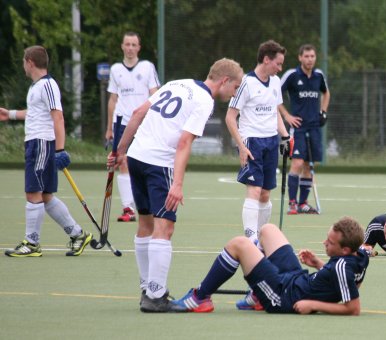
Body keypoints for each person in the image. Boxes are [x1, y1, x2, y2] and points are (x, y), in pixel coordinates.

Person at [111, 58, 244, 312]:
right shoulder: (205, 101)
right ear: (224, 81)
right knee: (165, 228)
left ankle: (147, 288)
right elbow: (184, 143)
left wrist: (120, 150)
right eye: (235, 88)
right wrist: (178, 184)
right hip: (159, 164)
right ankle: (155, 297)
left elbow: (138, 112)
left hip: (137, 156)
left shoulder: (177, 83)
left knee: (145, 224)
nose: (234, 93)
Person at [0, 45, 92, 257]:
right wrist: (10, 114)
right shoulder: (35, 87)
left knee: (33, 192)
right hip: (36, 142)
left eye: (24, 62)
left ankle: (32, 243)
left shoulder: (48, 85)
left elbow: (57, 116)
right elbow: (34, 114)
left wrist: (60, 149)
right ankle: (78, 235)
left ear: (30, 62)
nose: (23, 65)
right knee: (46, 195)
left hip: (41, 143)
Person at [173, 217, 369, 315]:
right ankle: (258, 296)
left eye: (330, 242)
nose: (324, 243)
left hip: (282, 296)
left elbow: (353, 308)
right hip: (295, 279)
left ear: (345, 250)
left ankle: (201, 297)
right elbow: (346, 283)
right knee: (268, 229)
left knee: (239, 245)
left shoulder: (342, 266)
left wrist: (313, 305)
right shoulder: (361, 255)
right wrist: (318, 264)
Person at [225, 40, 291, 245]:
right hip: (252, 141)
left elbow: (275, 112)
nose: (280, 68)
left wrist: (286, 136)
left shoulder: (275, 82)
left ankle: (262, 237)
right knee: (253, 189)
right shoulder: (245, 82)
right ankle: (250, 238)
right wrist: (241, 146)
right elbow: (230, 117)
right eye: (277, 64)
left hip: (271, 141)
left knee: (265, 193)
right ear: (266, 59)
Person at [106, 32, 160, 222]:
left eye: (133, 44)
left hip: (143, 122)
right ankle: (128, 208)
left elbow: (155, 95)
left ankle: (147, 203)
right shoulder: (115, 69)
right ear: (122, 46)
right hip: (121, 122)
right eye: (127, 44)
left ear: (139, 47)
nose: (130, 48)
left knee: (144, 161)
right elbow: (113, 100)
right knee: (122, 161)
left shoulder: (147, 67)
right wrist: (109, 128)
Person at [279, 44, 330, 214]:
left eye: (312, 56)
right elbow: (275, 94)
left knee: (309, 165)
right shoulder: (292, 75)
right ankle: (292, 203)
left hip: (314, 126)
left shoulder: (318, 76)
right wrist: (287, 116)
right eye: (306, 56)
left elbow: (326, 93)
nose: (309, 59)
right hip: (298, 128)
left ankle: (303, 203)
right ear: (300, 58)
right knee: (298, 163)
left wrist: (323, 112)